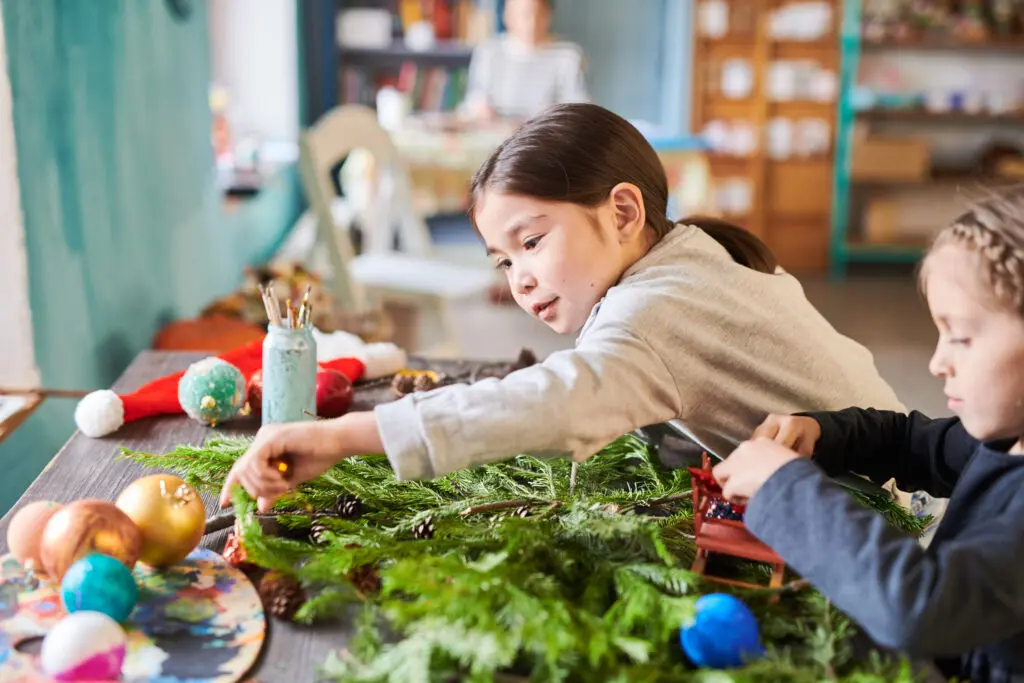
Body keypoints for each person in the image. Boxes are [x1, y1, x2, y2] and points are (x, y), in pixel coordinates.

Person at [219, 101, 913, 514]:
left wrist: (342, 436)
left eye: (531, 242)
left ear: (623, 212)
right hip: (891, 480)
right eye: (504, 261)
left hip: (872, 525)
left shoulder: (654, 312)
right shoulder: (693, 250)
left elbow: (554, 404)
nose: (520, 280)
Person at [714, 188, 1024, 682]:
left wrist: (784, 488)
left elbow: (922, 606)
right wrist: (822, 432)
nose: (937, 362)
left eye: (961, 337)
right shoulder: (1006, 437)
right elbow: (910, 442)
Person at [461, 0, 590, 122]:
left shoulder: (568, 56)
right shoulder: (488, 51)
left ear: (549, 15)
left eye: (539, 14)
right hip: (495, 131)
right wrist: (479, 108)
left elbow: (580, 108)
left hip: (546, 132)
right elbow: (474, 100)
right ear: (508, 15)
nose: (532, 23)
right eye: (524, 14)